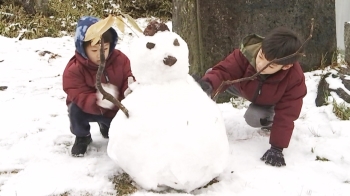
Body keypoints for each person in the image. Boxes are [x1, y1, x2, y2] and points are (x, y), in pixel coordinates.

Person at [196, 27, 307, 167]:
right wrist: (207, 85)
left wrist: (277, 148)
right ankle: (202, 118)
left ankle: (269, 122)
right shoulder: (247, 53)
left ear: (286, 66)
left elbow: (287, 113)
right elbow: (224, 71)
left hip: (268, 100)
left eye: (270, 65)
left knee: (254, 118)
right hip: (242, 87)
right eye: (261, 56)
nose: (260, 64)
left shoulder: (294, 79)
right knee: (211, 76)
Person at [62, 16, 133, 157]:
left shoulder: (120, 59)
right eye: (94, 51)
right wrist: (97, 101)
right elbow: (77, 93)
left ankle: (107, 127)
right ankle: (83, 136)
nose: (100, 54)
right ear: (83, 48)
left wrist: (128, 89)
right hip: (87, 109)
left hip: (114, 107)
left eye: (105, 48)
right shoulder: (74, 69)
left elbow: (128, 75)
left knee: (112, 131)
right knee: (74, 110)